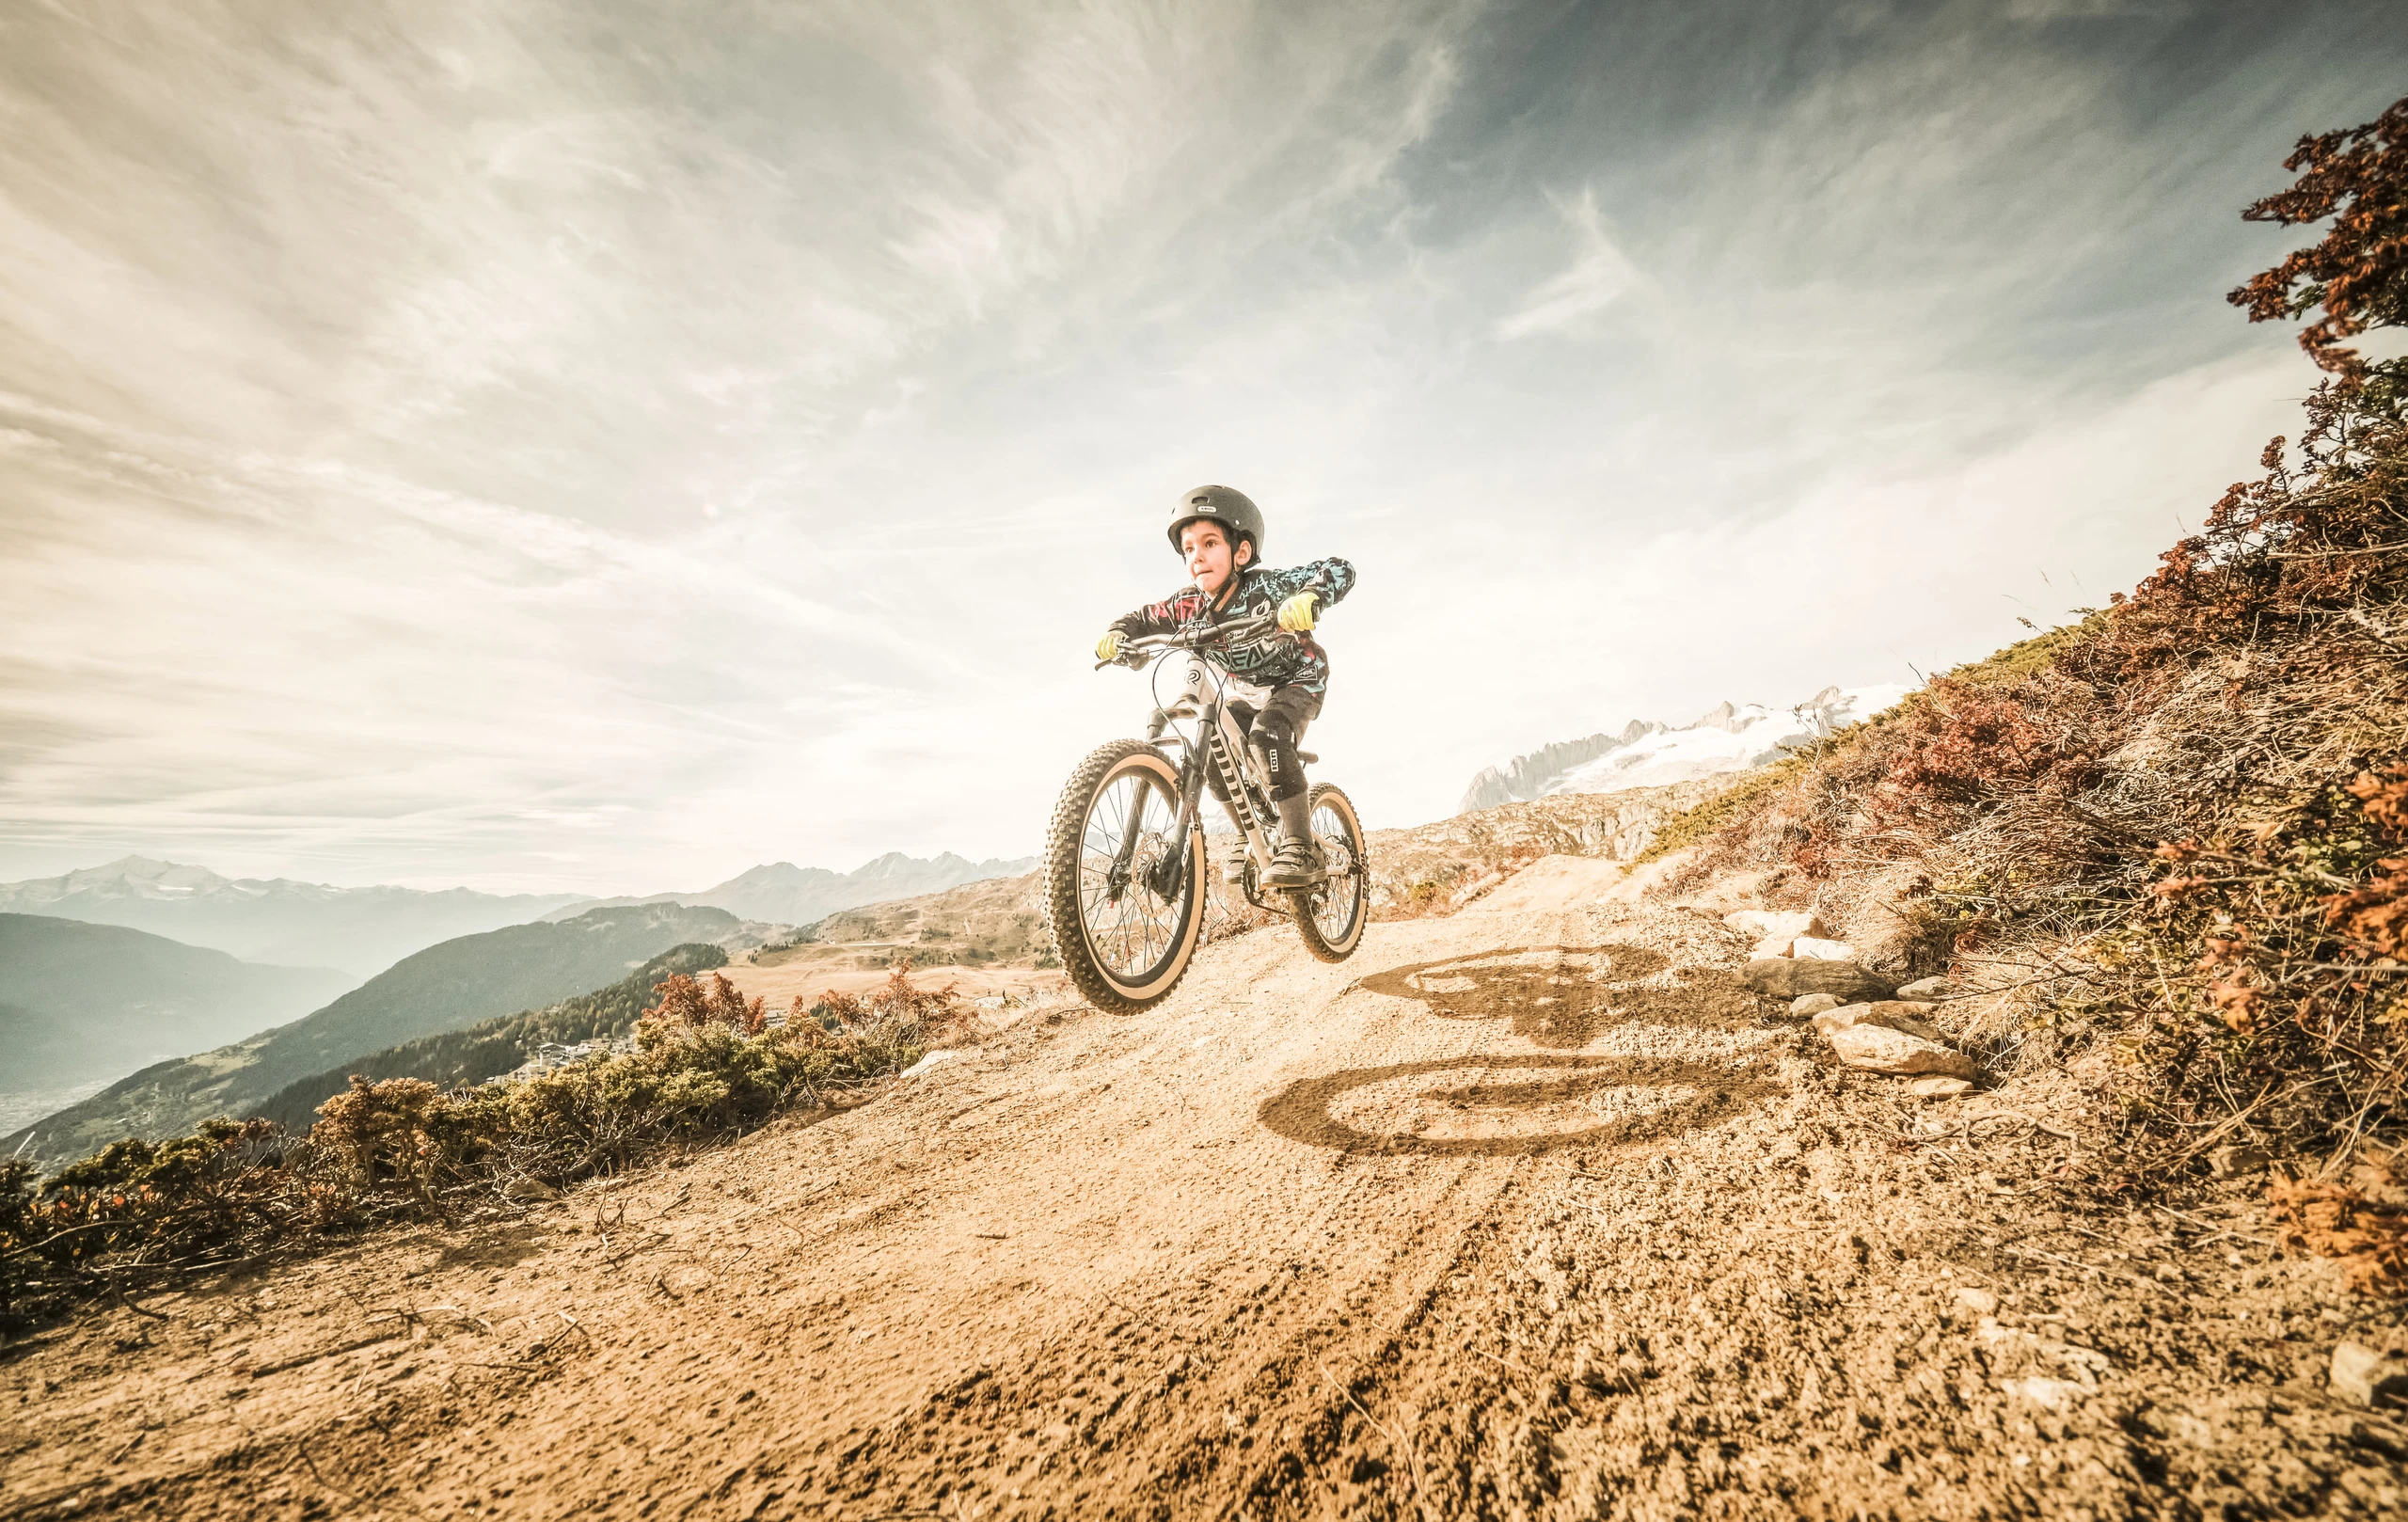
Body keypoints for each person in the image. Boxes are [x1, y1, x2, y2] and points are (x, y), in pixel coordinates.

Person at [1094, 485, 1356, 889]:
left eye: (1209, 543)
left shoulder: (1264, 589)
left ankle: (1300, 844)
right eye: (1187, 549)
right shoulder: (1188, 607)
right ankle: (1246, 831)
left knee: (1267, 736)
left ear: (1242, 553)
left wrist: (1309, 598)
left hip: (1298, 678)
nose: (1195, 555)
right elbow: (1144, 618)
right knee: (1214, 747)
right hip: (1248, 692)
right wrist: (1118, 634)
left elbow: (1339, 569)